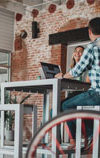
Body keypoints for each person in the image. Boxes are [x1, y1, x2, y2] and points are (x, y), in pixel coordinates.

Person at [55, 17, 100, 150]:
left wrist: (62, 75)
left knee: (67, 105)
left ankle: (91, 135)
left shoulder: (92, 47)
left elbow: (77, 72)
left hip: (98, 94)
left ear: (90, 32)